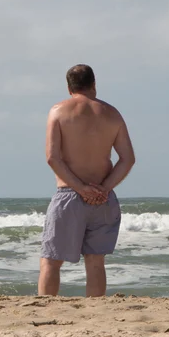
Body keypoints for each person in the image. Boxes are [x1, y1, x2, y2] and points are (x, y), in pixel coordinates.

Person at [39, 64, 135, 297]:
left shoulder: (58, 111)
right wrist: (103, 188)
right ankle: (95, 312)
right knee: (95, 263)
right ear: (94, 84)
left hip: (69, 195)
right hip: (103, 198)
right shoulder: (112, 114)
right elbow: (127, 159)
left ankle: (44, 310)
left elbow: (53, 158)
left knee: (51, 261)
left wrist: (81, 188)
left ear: (69, 87)